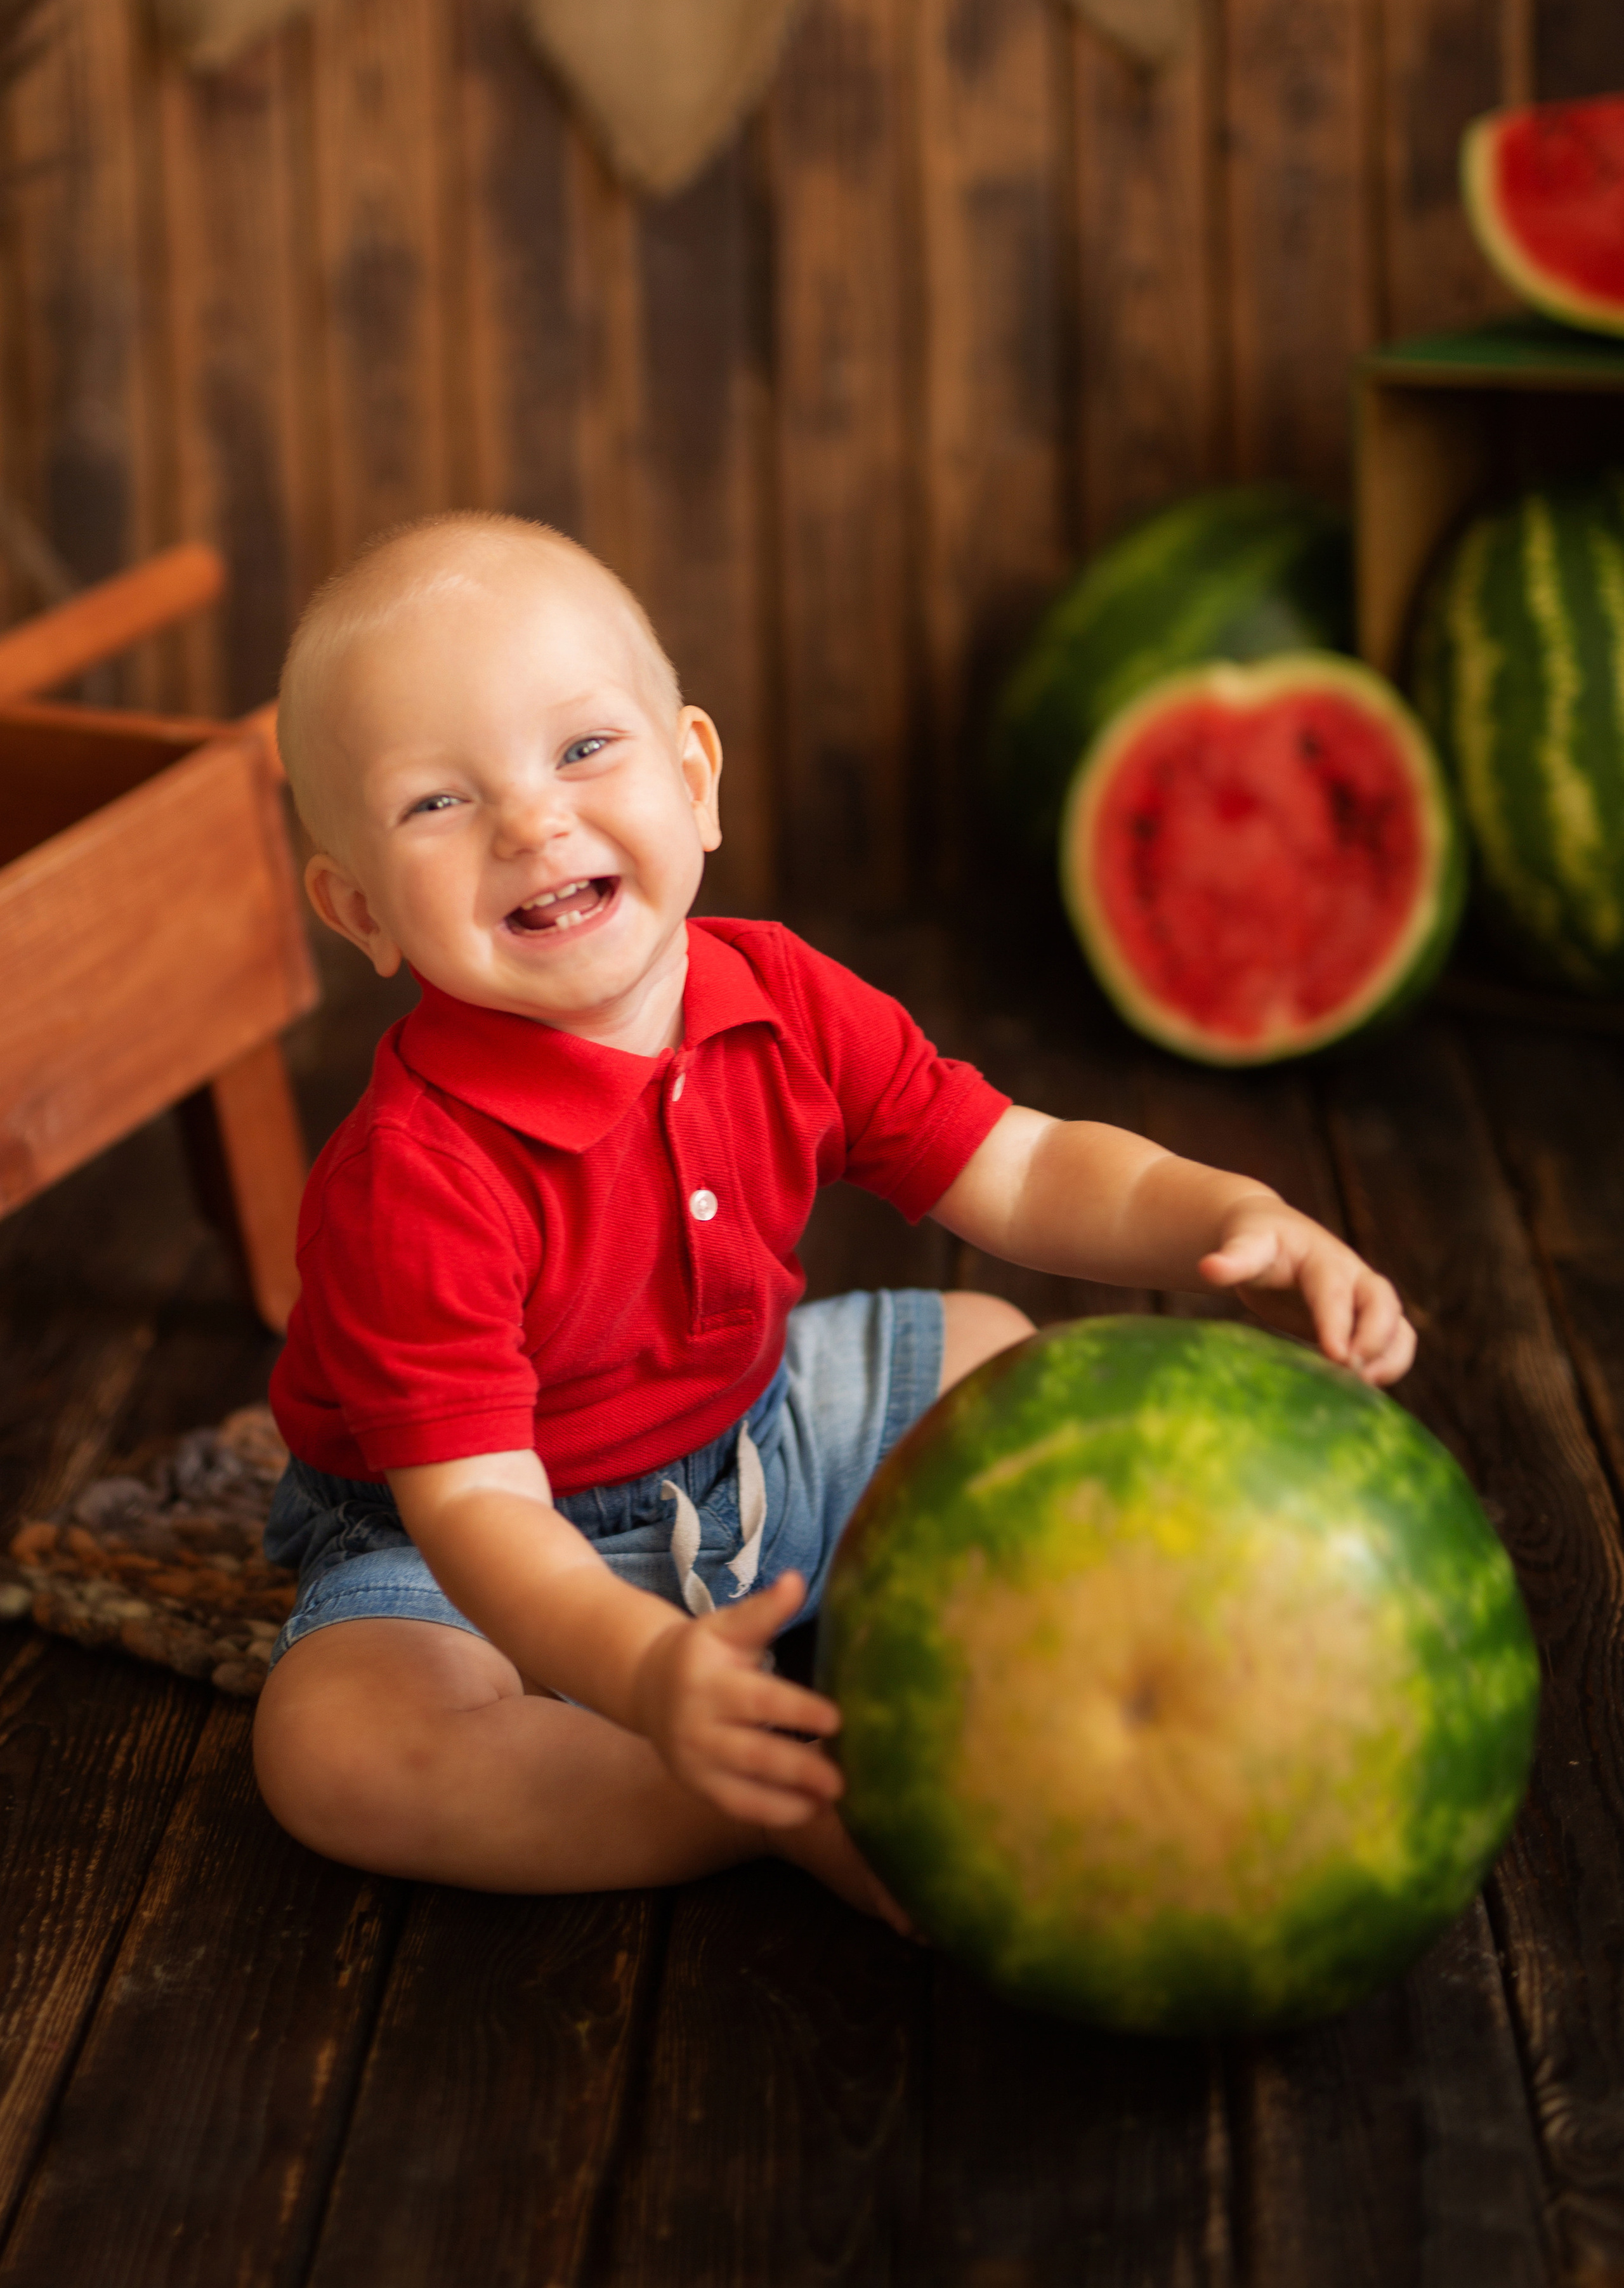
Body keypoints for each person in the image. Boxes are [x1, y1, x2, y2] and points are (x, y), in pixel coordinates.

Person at [254, 511, 1417, 1932]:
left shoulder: (785, 996)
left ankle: (1030, 1667)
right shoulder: (413, 1176)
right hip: (477, 1540)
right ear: (359, 910)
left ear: (694, 779)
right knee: (339, 1746)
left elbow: (1022, 1168)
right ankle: (759, 1800)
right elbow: (482, 1514)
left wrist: (1233, 1215)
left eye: (582, 749)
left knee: (995, 1347)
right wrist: (641, 1672)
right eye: (438, 802)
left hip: (755, 1442)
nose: (531, 822)